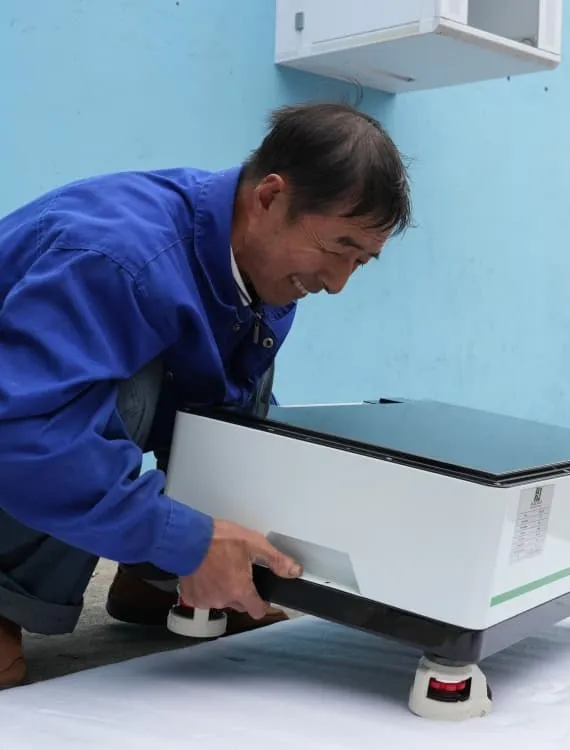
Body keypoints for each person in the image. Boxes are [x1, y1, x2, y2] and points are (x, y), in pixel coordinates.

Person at [0, 101, 413, 687]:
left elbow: (223, 416)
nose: (338, 282)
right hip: (16, 427)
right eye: (336, 247)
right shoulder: (118, 257)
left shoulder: (258, 272)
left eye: (361, 261)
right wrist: (185, 538)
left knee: (235, 392)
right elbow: (27, 431)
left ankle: (156, 581)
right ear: (270, 197)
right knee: (125, 387)